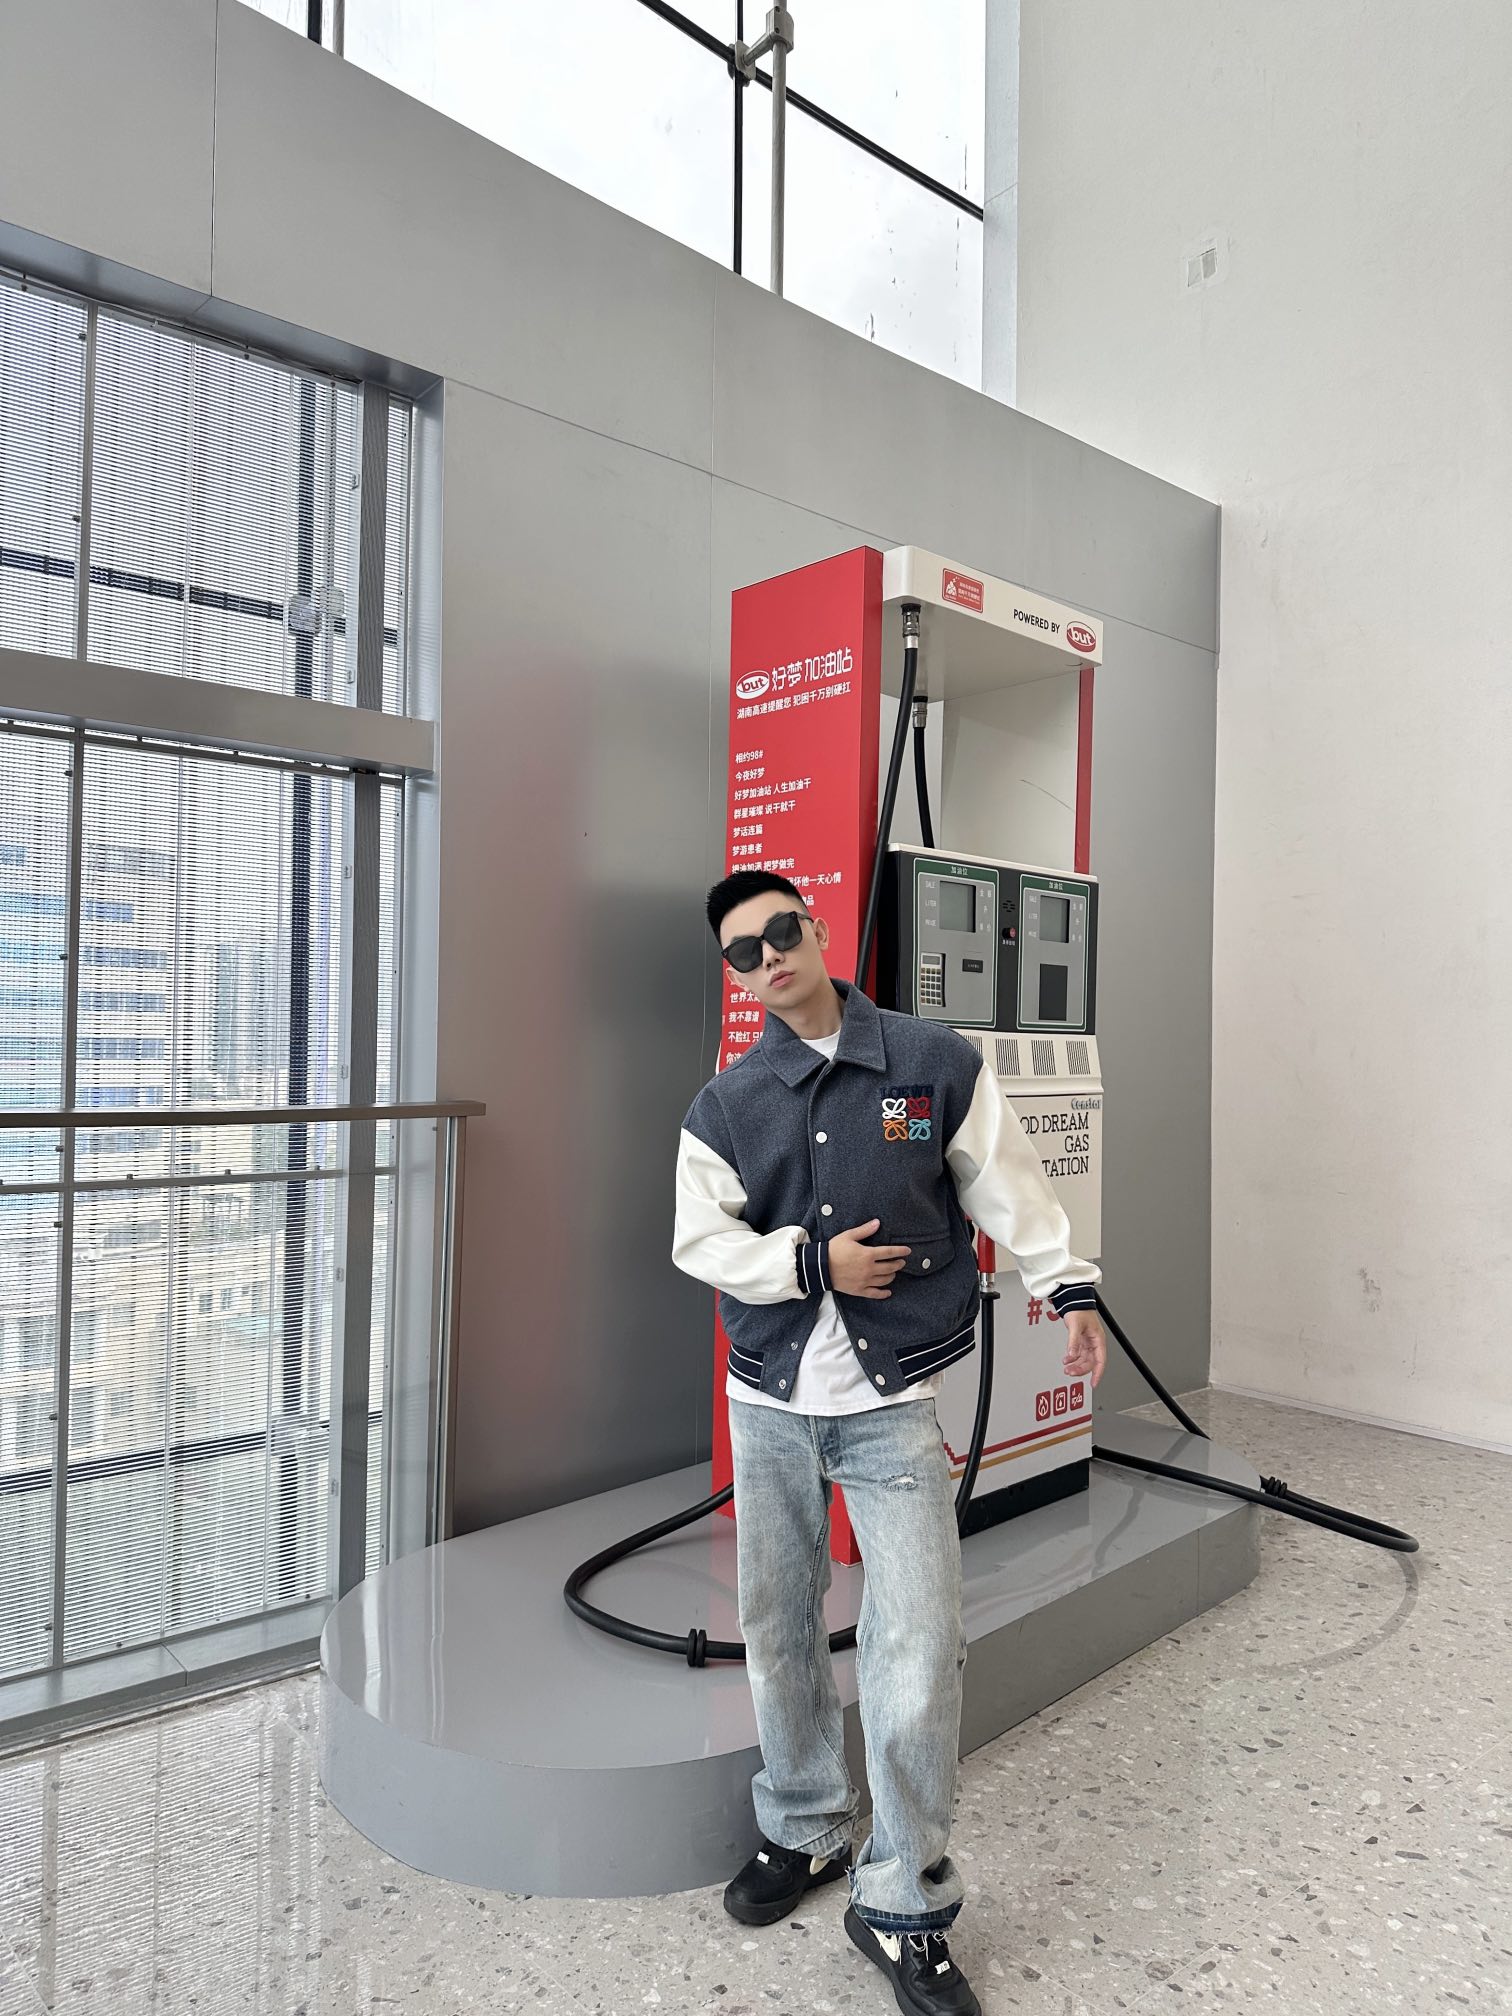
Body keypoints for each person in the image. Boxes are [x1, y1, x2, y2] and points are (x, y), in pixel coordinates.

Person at [672, 869, 1108, 2016]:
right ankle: (808, 1824)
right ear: (735, 974)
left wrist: (1066, 1288)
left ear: (815, 930)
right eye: (743, 950)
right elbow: (697, 1241)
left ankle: (901, 1899)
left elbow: (1007, 1184)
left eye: (780, 931)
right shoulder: (727, 1105)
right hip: (768, 1403)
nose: (768, 955)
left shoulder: (932, 1063)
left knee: (918, 1642)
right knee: (779, 1626)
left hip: (892, 1404)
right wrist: (808, 1263)